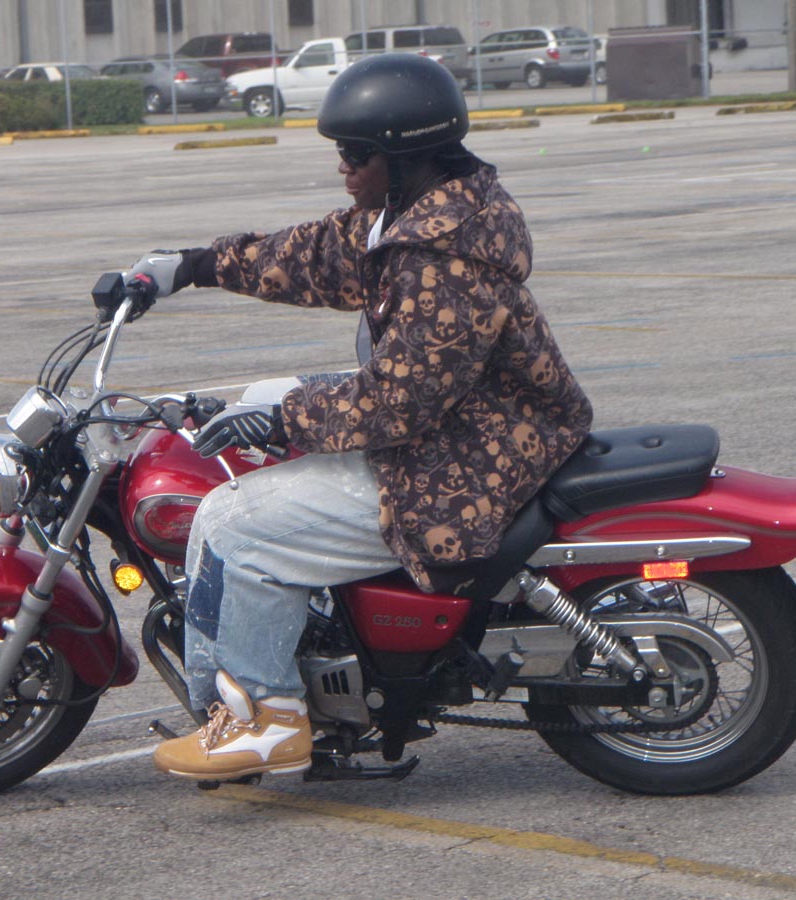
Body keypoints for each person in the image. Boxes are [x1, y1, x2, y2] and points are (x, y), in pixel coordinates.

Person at [123, 53, 593, 781]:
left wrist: (282, 421)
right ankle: (308, 632)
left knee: (233, 522)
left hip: (469, 460)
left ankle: (265, 716)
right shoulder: (418, 215)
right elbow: (316, 255)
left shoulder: (444, 257)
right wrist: (192, 266)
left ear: (404, 157)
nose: (343, 165)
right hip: (472, 421)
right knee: (258, 400)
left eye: (356, 153)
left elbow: (400, 402)